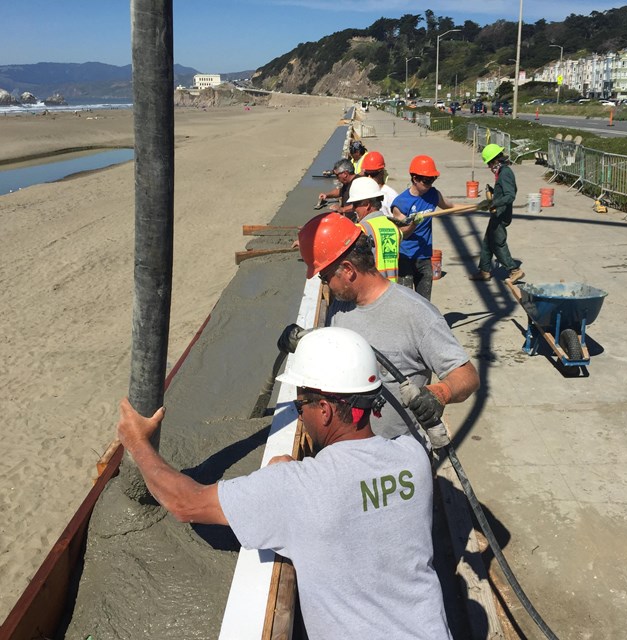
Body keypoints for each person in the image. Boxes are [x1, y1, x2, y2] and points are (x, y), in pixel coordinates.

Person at [117, 327, 454, 640]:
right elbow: (357, 496)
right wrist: (299, 475)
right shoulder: (414, 458)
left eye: (300, 404)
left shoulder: (297, 489)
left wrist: (137, 444)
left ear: (324, 410)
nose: (300, 414)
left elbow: (185, 502)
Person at [281, 213, 479, 441]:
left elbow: (467, 376)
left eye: (325, 277)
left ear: (347, 270)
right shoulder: (341, 307)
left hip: (398, 459)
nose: (325, 284)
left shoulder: (415, 313)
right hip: (351, 452)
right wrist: (307, 341)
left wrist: (440, 394)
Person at [391, 155, 454, 301]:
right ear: (414, 178)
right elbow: (402, 234)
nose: (429, 184)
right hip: (405, 257)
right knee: (407, 301)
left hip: (424, 257)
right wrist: (414, 224)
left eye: (432, 180)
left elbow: (451, 207)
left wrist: (478, 207)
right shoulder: (400, 203)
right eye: (426, 181)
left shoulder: (433, 194)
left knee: (425, 303)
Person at [469, 144, 524, 282]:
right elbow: (503, 192)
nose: (489, 167)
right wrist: (493, 192)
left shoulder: (505, 173)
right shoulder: (502, 172)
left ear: (495, 160)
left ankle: (514, 270)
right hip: (497, 212)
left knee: (498, 243)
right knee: (488, 241)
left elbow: (510, 195)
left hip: (501, 214)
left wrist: (493, 203)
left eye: (489, 163)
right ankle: (484, 271)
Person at [346, 177, 404, 282]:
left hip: (372, 291)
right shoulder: (394, 227)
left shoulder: (360, 229)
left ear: (367, 204)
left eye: (355, 204)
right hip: (392, 288)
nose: (353, 208)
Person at [361, 150, 398, 217]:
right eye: (367, 174)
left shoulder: (390, 195)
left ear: (381, 173)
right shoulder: (362, 192)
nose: (369, 177)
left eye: (373, 174)